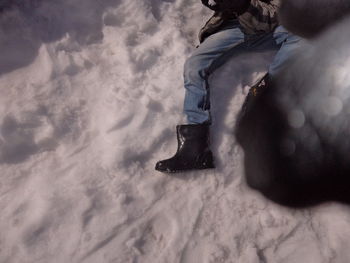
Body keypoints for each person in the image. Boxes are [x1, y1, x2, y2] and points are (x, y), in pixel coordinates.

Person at [155, 0, 303, 173]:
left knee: (305, 33)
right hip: (235, 27)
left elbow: (278, 15)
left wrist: (242, 5)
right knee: (195, 65)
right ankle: (195, 149)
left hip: (274, 29)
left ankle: (266, 89)